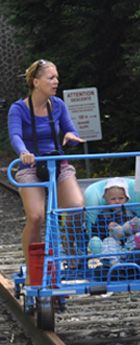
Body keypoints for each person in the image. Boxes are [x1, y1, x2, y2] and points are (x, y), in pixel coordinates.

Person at [7, 59, 85, 283]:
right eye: (51, 77)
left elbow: (70, 130)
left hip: (57, 164)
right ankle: (33, 266)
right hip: (31, 166)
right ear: (36, 81)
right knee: (36, 216)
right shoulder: (18, 108)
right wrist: (23, 152)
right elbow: (15, 136)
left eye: (56, 77)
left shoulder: (58, 105)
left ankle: (72, 255)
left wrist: (70, 137)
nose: (56, 81)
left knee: (76, 207)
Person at [90, 177, 140, 264]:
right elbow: (95, 232)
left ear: (126, 199)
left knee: (138, 236)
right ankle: (111, 263)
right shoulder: (103, 215)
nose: (117, 201)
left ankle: (133, 256)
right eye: (113, 199)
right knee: (108, 241)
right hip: (113, 246)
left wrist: (134, 226)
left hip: (128, 244)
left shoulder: (131, 214)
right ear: (106, 200)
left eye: (121, 198)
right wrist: (107, 229)